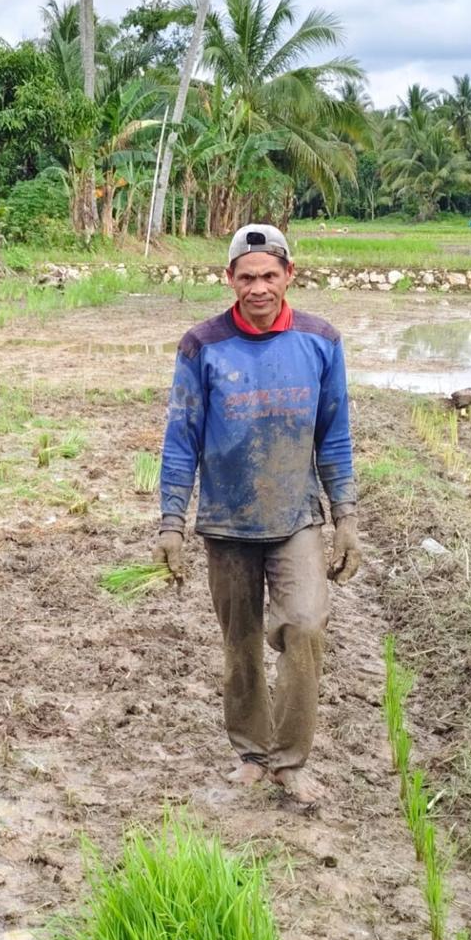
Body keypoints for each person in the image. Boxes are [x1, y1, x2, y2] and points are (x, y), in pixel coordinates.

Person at [153, 223, 361, 805]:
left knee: (304, 625)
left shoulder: (321, 340)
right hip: (227, 522)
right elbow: (181, 438)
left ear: (289, 276)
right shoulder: (202, 344)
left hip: (296, 518)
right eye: (247, 277)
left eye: (270, 275)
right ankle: (251, 753)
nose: (259, 288)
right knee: (240, 644)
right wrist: (172, 524)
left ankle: (290, 762)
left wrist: (345, 516)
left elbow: (334, 434)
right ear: (230, 281)